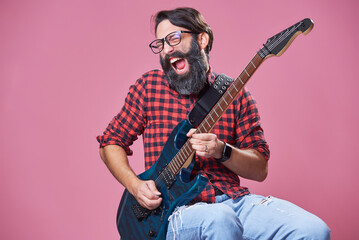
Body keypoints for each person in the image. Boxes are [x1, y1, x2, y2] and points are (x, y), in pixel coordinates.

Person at [97, 7, 330, 240]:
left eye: (173, 38)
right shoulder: (149, 86)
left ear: (202, 39)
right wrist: (135, 186)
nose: (167, 49)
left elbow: (260, 169)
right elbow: (110, 142)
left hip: (234, 201)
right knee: (220, 220)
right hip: (174, 212)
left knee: (312, 230)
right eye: (160, 43)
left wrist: (222, 150)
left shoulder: (236, 94)